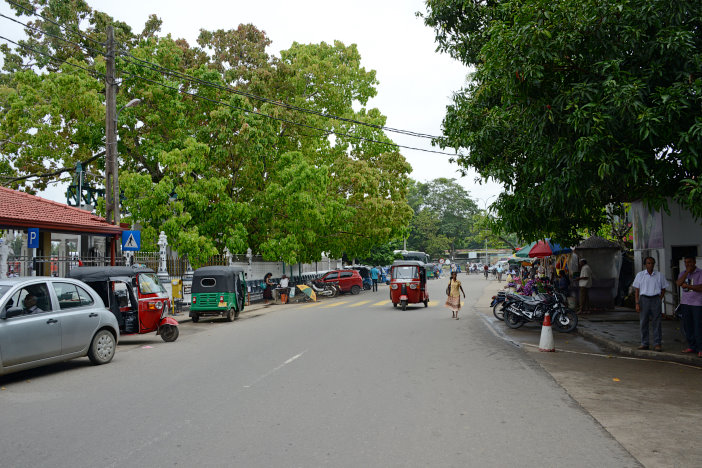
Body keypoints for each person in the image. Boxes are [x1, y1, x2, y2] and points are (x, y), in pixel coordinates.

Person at [633, 257, 668, 351]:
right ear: (645, 264)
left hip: (655, 298)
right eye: (648, 263)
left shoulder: (659, 275)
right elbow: (637, 290)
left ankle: (657, 343)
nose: (650, 265)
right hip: (644, 299)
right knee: (643, 322)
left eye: (652, 263)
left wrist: (659, 299)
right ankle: (644, 343)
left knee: (656, 322)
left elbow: (664, 289)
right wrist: (637, 303)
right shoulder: (640, 275)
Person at [676, 256, 702, 357]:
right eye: (686, 262)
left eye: (690, 262)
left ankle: (700, 348)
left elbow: (701, 287)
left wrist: (688, 286)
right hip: (685, 303)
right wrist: (687, 272)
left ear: (694, 262)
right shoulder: (683, 273)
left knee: (698, 326)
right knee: (688, 326)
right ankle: (692, 346)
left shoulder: (700, 273)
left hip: (697, 304)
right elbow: (678, 283)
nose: (688, 264)